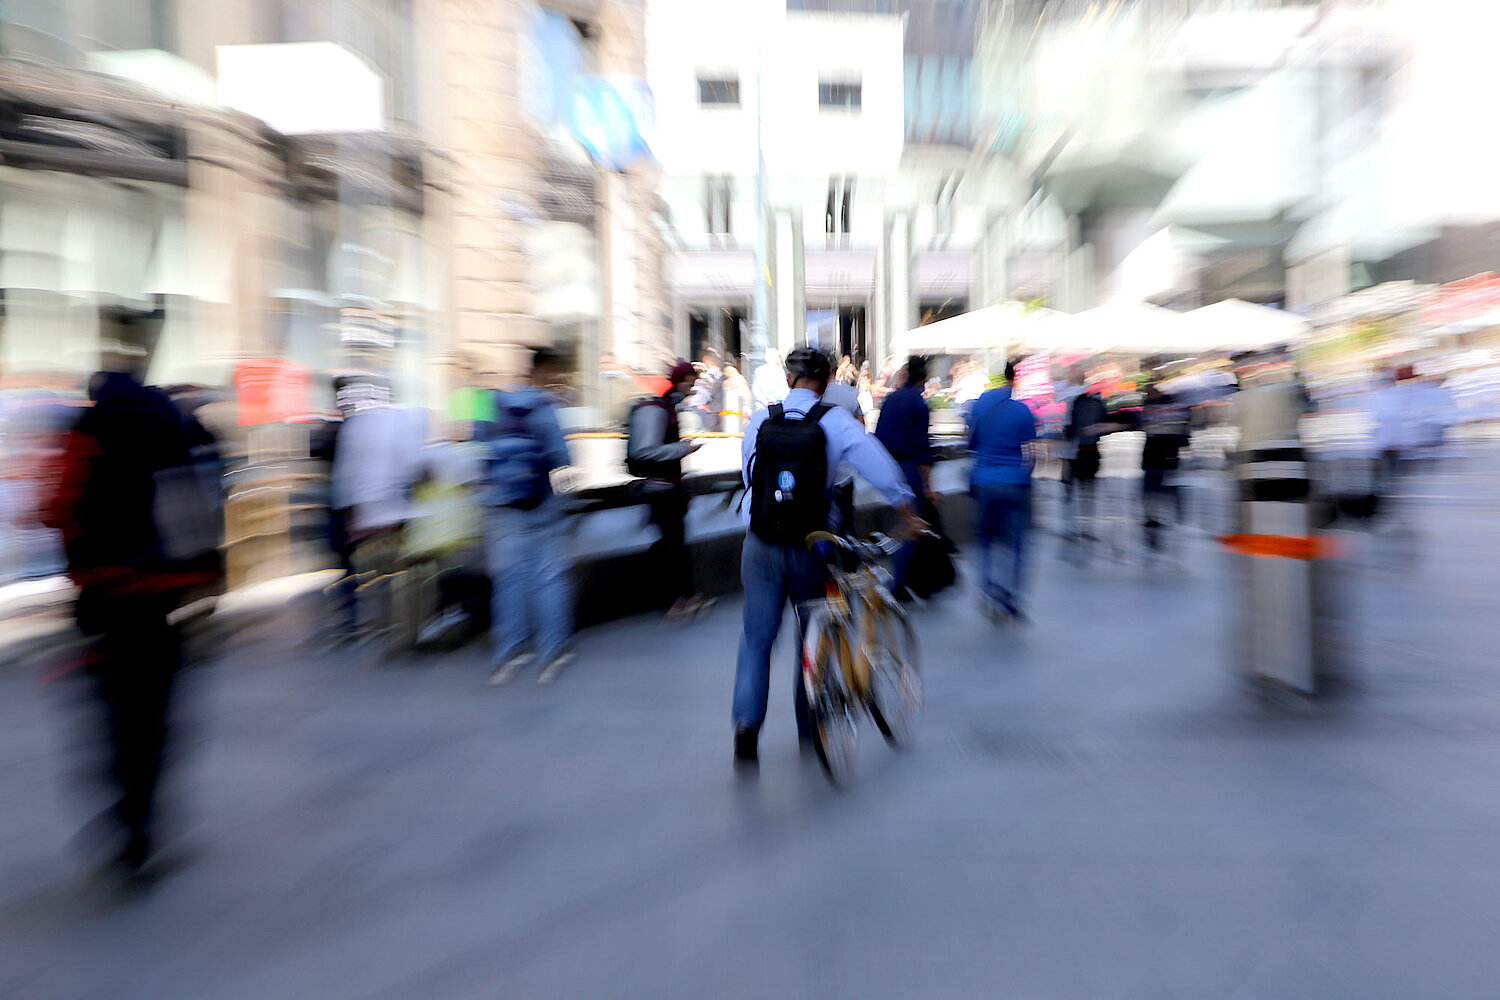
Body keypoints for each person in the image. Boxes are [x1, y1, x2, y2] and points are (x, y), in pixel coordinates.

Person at [42, 317, 224, 877]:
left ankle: (121, 822)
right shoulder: (169, 425)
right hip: (160, 602)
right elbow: (192, 509)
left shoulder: (83, 428)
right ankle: (142, 828)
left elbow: (56, 508)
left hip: (101, 599)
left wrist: (84, 562)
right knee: (155, 718)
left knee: (111, 717)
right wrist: (206, 577)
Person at [732, 346, 922, 765]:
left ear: (788, 377)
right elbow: (882, 469)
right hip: (812, 544)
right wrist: (907, 510)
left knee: (757, 640)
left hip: (760, 542)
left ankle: (746, 732)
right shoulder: (835, 422)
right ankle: (810, 728)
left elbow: (748, 474)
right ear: (830, 379)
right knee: (811, 632)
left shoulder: (763, 418)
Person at [477, 348, 576, 685]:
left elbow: (479, 453)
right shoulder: (546, 407)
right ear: (546, 373)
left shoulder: (489, 404)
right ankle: (552, 650)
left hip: (502, 504)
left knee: (509, 578)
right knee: (549, 576)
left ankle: (509, 649)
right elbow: (561, 457)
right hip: (541, 503)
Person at [627, 358, 711, 620]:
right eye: (690, 382)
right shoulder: (657, 409)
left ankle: (681, 597)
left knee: (674, 544)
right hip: (661, 490)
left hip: (668, 489)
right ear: (679, 380)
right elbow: (645, 450)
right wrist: (683, 449)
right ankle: (674, 599)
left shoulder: (666, 407)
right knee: (672, 545)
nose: (693, 387)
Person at [968, 360, 1039, 621]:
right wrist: (1025, 476)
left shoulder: (981, 403)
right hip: (1015, 482)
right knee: (1016, 543)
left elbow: (972, 442)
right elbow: (1033, 453)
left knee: (986, 539)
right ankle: (1010, 596)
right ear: (1017, 379)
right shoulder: (1023, 410)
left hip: (985, 480)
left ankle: (987, 590)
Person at [875, 356, 936, 600]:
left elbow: (878, 436)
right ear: (922, 379)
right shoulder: (919, 405)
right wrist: (929, 485)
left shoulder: (890, 399)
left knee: (897, 525)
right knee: (912, 525)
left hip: (887, 468)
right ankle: (899, 583)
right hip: (909, 469)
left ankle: (894, 577)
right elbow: (923, 449)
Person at [1138, 385, 1191, 554]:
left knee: (1155, 488)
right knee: (1161, 487)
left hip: (1157, 456)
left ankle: (1154, 517)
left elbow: (1145, 428)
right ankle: (1158, 516)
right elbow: (1183, 435)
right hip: (1164, 456)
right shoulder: (1173, 408)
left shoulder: (1154, 409)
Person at [690, 348, 726, 431]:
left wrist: (709, 407)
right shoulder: (711, 376)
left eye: (706, 362)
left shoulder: (719, 378)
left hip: (717, 414)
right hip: (713, 412)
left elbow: (717, 396)